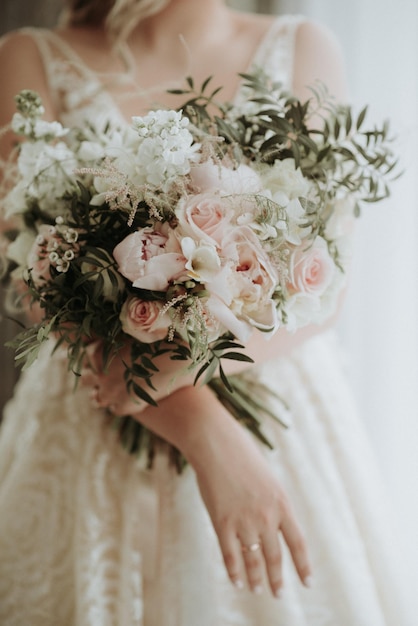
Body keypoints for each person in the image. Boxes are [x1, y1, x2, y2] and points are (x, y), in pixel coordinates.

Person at [0, 1, 413, 624]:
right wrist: (209, 433)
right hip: (89, 400)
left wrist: (180, 372)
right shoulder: (29, 57)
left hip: (277, 396)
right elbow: (37, 282)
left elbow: (328, 282)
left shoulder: (303, 46)